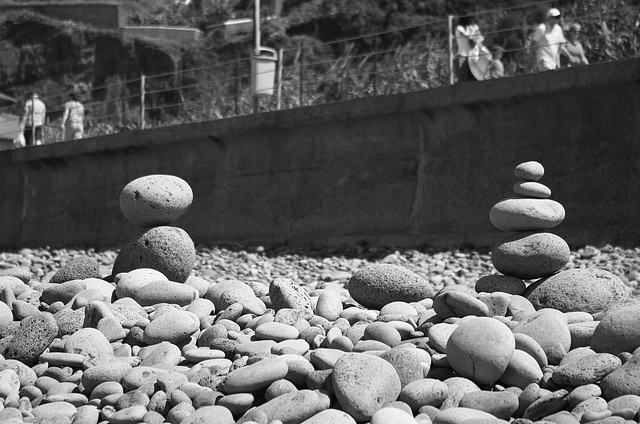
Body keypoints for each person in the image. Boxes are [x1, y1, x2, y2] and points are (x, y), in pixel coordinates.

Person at [530, 8, 568, 72]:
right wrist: (530, 61)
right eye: (554, 17)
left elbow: (561, 47)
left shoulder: (558, 29)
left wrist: (569, 56)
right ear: (548, 18)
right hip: (544, 62)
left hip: (553, 63)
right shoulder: (541, 28)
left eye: (558, 17)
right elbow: (533, 45)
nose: (556, 19)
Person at [455, 15, 485, 82]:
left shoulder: (471, 28)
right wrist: (474, 30)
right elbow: (468, 38)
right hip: (462, 57)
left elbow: (480, 38)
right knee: (463, 80)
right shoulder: (459, 28)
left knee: (474, 79)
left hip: (472, 57)